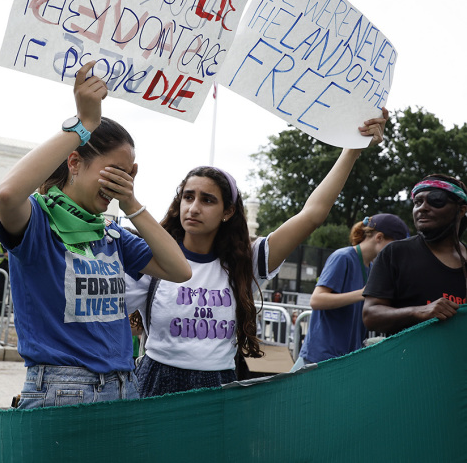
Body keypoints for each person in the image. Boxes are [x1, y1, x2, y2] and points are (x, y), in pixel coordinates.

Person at [128, 111, 389, 397]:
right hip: (155, 383)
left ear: (228, 212)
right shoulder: (150, 257)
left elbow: (312, 215)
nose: (193, 207)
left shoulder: (244, 262)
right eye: (188, 197)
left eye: (208, 200)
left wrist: (352, 149)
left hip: (219, 388)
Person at [0, 61, 192, 409]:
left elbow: (180, 269)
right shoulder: (38, 222)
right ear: (74, 163)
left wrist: (131, 201)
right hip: (62, 391)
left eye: (127, 175)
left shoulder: (111, 235)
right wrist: (83, 124)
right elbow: (8, 194)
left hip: (123, 386)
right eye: (113, 172)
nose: (120, 183)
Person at [292, 213, 409, 370]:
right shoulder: (343, 257)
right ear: (379, 237)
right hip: (320, 359)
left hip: (345, 359)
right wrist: (361, 294)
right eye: (395, 245)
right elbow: (317, 300)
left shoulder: (371, 267)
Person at [363, 175, 467, 334]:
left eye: (435, 200)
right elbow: (370, 316)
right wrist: (418, 312)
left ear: (461, 210)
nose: (423, 208)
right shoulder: (395, 253)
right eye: (418, 202)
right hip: (410, 358)